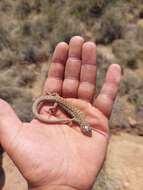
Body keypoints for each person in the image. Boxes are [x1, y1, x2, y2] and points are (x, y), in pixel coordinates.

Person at [0, 36, 121, 190]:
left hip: (57, 99)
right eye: (87, 129)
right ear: (85, 126)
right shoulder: (79, 120)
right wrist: (58, 110)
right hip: (57, 100)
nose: (87, 130)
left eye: (86, 130)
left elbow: (74, 117)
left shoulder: (81, 120)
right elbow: (72, 117)